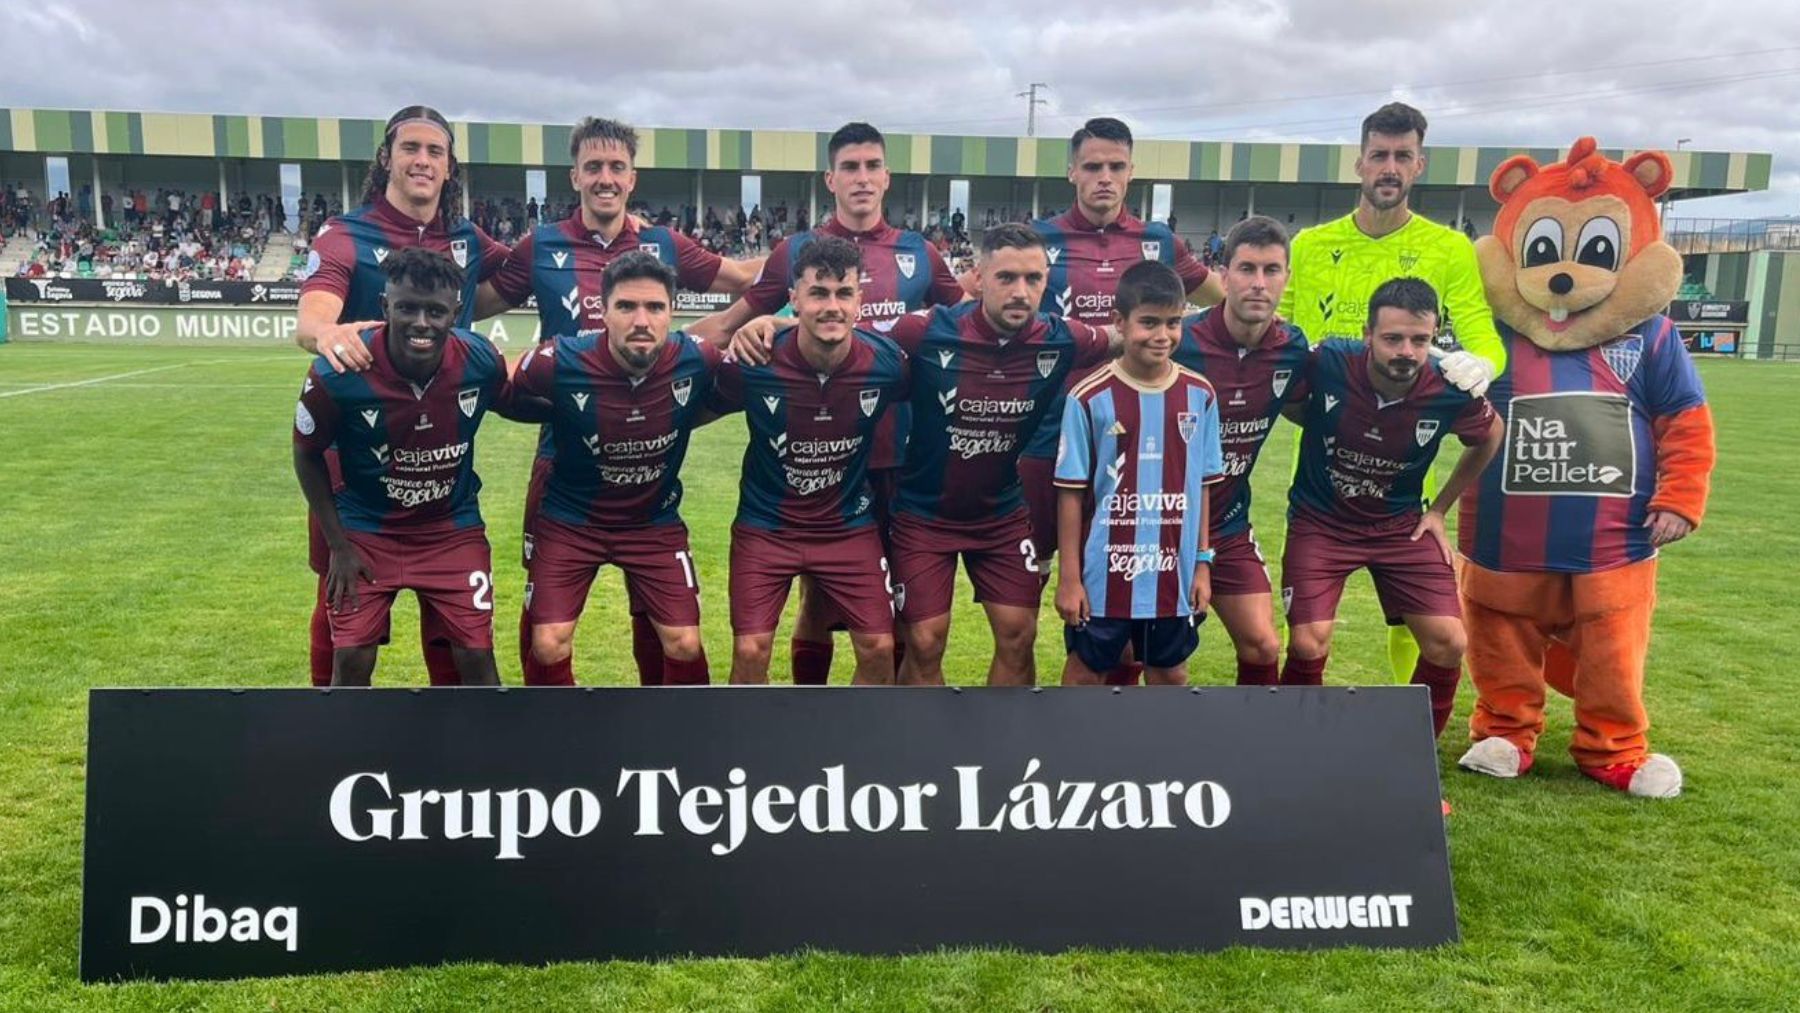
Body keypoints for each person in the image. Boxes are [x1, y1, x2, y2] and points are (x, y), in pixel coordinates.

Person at [486, 116, 761, 686]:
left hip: (648, 447)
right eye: (594, 167)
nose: (605, 178)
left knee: (657, 611)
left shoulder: (663, 243)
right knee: (545, 608)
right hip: (560, 452)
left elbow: (745, 280)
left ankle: (658, 726)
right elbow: (471, 303)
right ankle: (540, 721)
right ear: (575, 176)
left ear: (632, 177)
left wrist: (782, 303)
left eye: (616, 167)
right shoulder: (542, 245)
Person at [695, 122, 965, 686]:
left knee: (889, 608)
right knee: (814, 599)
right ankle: (808, 713)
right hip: (807, 455)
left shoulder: (920, 253)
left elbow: (967, 329)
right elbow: (730, 326)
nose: (862, 178)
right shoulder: (796, 252)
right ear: (830, 178)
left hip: (895, 457)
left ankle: (878, 725)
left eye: (872, 166)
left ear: (887, 176)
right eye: (850, 167)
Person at [1275, 101, 1507, 684]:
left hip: (1409, 446)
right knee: (1308, 627)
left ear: (1419, 165)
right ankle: (1298, 718)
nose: (1390, 166)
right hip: (1329, 433)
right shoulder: (1310, 244)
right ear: (1359, 163)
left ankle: (1405, 723)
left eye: (1403, 156)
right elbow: (1283, 324)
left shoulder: (1450, 248)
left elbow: (1482, 333)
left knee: (1413, 618)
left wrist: (1480, 364)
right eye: (1379, 154)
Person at [291, 104, 513, 688]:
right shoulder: (345, 234)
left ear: (449, 167)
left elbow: (528, 271)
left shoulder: (466, 238)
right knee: (340, 597)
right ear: (387, 157)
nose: (422, 160)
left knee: (453, 621)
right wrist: (331, 333)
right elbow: (313, 317)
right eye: (410, 148)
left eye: (434, 151)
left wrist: (623, 230)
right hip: (354, 458)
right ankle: (329, 727)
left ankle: (452, 740)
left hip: (436, 442)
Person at [1016, 116, 1225, 685]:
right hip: (1047, 436)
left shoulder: (1158, 241)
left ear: (1131, 172)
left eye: (1115, 167)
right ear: (1071, 172)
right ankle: (1032, 733)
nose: (1103, 177)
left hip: (1138, 440)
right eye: (1092, 166)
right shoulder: (1040, 239)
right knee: (1031, 601)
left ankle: (1120, 743)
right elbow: (977, 294)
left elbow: (1222, 302)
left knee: (1136, 575)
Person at [291, 249, 534, 687]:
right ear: (385, 307)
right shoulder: (339, 371)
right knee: (351, 660)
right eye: (407, 308)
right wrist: (338, 547)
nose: (421, 322)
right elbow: (306, 454)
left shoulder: (479, 360)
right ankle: (348, 755)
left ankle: (491, 754)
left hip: (449, 529)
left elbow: (514, 402)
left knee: (477, 657)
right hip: (366, 531)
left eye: (436, 311)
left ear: (456, 314)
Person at [1278, 278, 1503, 738]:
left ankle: (1414, 758)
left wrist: (1438, 510)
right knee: (1307, 641)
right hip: (1321, 523)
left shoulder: (1451, 386)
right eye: (1393, 338)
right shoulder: (1329, 361)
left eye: (1420, 340)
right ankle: (1293, 749)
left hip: (1401, 527)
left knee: (1449, 641)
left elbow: (1491, 434)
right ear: (1367, 334)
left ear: (1435, 337)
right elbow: (1291, 400)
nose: (1406, 351)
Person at [512, 252, 719, 687]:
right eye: (626, 307)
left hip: (652, 520)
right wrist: (563, 415)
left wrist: (774, 324)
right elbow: (500, 391)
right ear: (603, 312)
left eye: (655, 307)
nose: (641, 320)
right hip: (571, 519)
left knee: (684, 643)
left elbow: (735, 392)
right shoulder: (559, 361)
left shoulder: (698, 359)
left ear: (672, 312)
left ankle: (687, 739)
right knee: (548, 642)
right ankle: (556, 741)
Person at [707, 237, 908, 685]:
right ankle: (746, 752)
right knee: (750, 649)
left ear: (861, 299)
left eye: (843, 293)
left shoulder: (888, 364)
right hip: (767, 527)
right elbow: (694, 405)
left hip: (847, 527)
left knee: (879, 648)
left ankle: (857, 751)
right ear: (793, 299)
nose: (831, 306)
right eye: (818, 293)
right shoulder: (752, 362)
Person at [1054, 261, 1223, 685]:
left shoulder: (1200, 395)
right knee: (1084, 675)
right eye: (1148, 322)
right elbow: (1071, 494)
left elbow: (1201, 486)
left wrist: (1203, 563)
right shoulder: (1089, 397)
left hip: (1174, 572)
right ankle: (1075, 753)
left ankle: (1162, 754)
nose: (1162, 335)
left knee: (1171, 674)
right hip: (1103, 574)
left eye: (1172, 323)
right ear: (1120, 323)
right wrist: (1070, 579)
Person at [1172, 216, 1311, 686]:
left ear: (1286, 278)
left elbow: (1308, 407)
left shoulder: (1292, 349)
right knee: (1145, 651)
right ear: (1223, 274)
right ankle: (1133, 751)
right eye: (1247, 269)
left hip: (1228, 523)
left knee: (1263, 644)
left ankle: (1256, 752)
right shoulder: (1179, 340)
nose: (1258, 283)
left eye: (1271, 270)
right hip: (1159, 522)